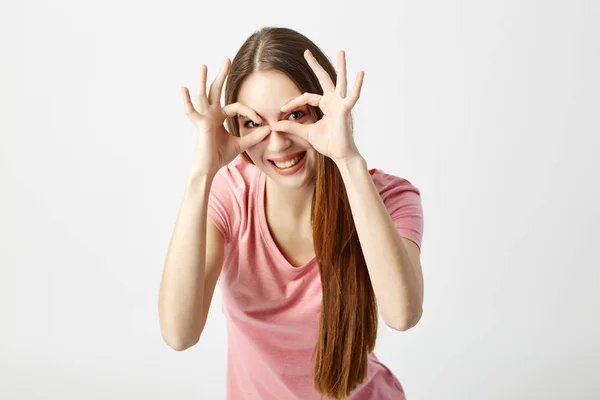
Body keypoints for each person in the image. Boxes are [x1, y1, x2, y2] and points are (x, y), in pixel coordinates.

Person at [158, 26, 424, 400]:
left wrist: (347, 161)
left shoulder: (389, 196)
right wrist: (202, 174)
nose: (278, 141)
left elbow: (403, 313)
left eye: (295, 115)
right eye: (253, 123)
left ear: (323, 112)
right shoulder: (231, 196)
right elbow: (178, 333)